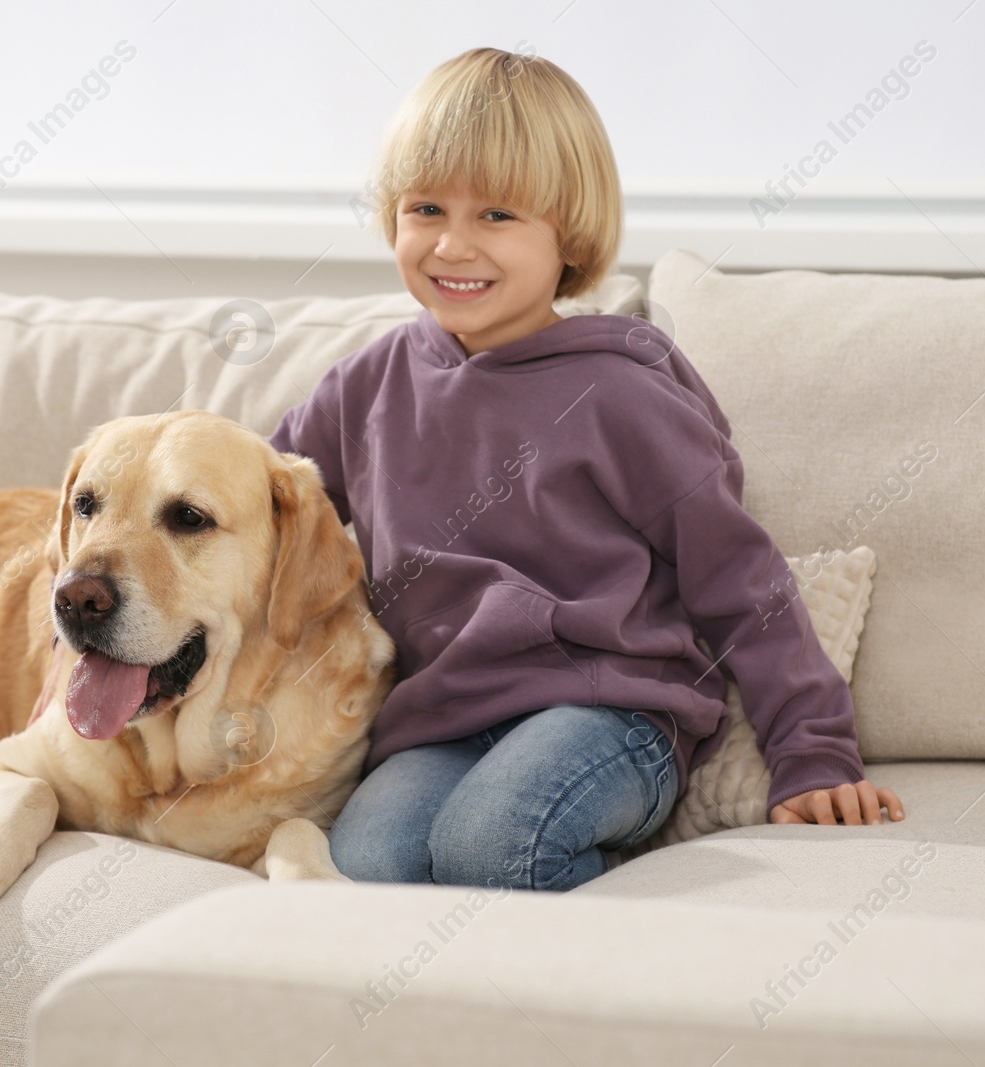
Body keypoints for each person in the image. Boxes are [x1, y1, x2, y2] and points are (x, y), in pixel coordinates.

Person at [268, 46, 904, 893]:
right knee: (364, 871)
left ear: (565, 234)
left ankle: (619, 947)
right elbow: (260, 508)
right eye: (427, 208)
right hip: (441, 723)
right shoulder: (365, 385)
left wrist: (813, 752)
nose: (454, 243)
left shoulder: (620, 395)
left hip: (611, 710)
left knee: (488, 847)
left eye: (498, 215)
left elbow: (740, 578)